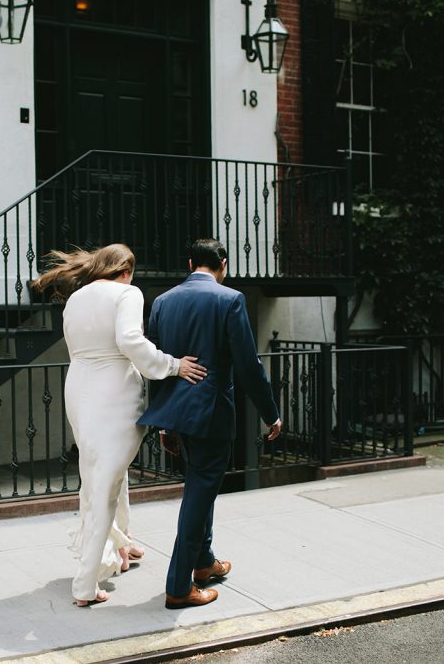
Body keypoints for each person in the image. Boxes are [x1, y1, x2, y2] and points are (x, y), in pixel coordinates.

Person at [32, 243, 207, 607]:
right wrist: (173, 365)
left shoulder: (76, 299)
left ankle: (122, 544)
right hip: (112, 391)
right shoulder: (127, 293)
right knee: (104, 486)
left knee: (104, 472)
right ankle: (85, 585)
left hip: (78, 387)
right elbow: (130, 340)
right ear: (126, 270)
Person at [138, 238, 282, 609]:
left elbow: (158, 366)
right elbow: (248, 364)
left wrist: (166, 424)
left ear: (190, 263)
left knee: (201, 486)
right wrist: (271, 412)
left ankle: (204, 563)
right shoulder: (229, 299)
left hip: (178, 414)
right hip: (212, 413)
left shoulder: (163, 301)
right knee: (199, 495)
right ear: (224, 263)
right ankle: (178, 585)